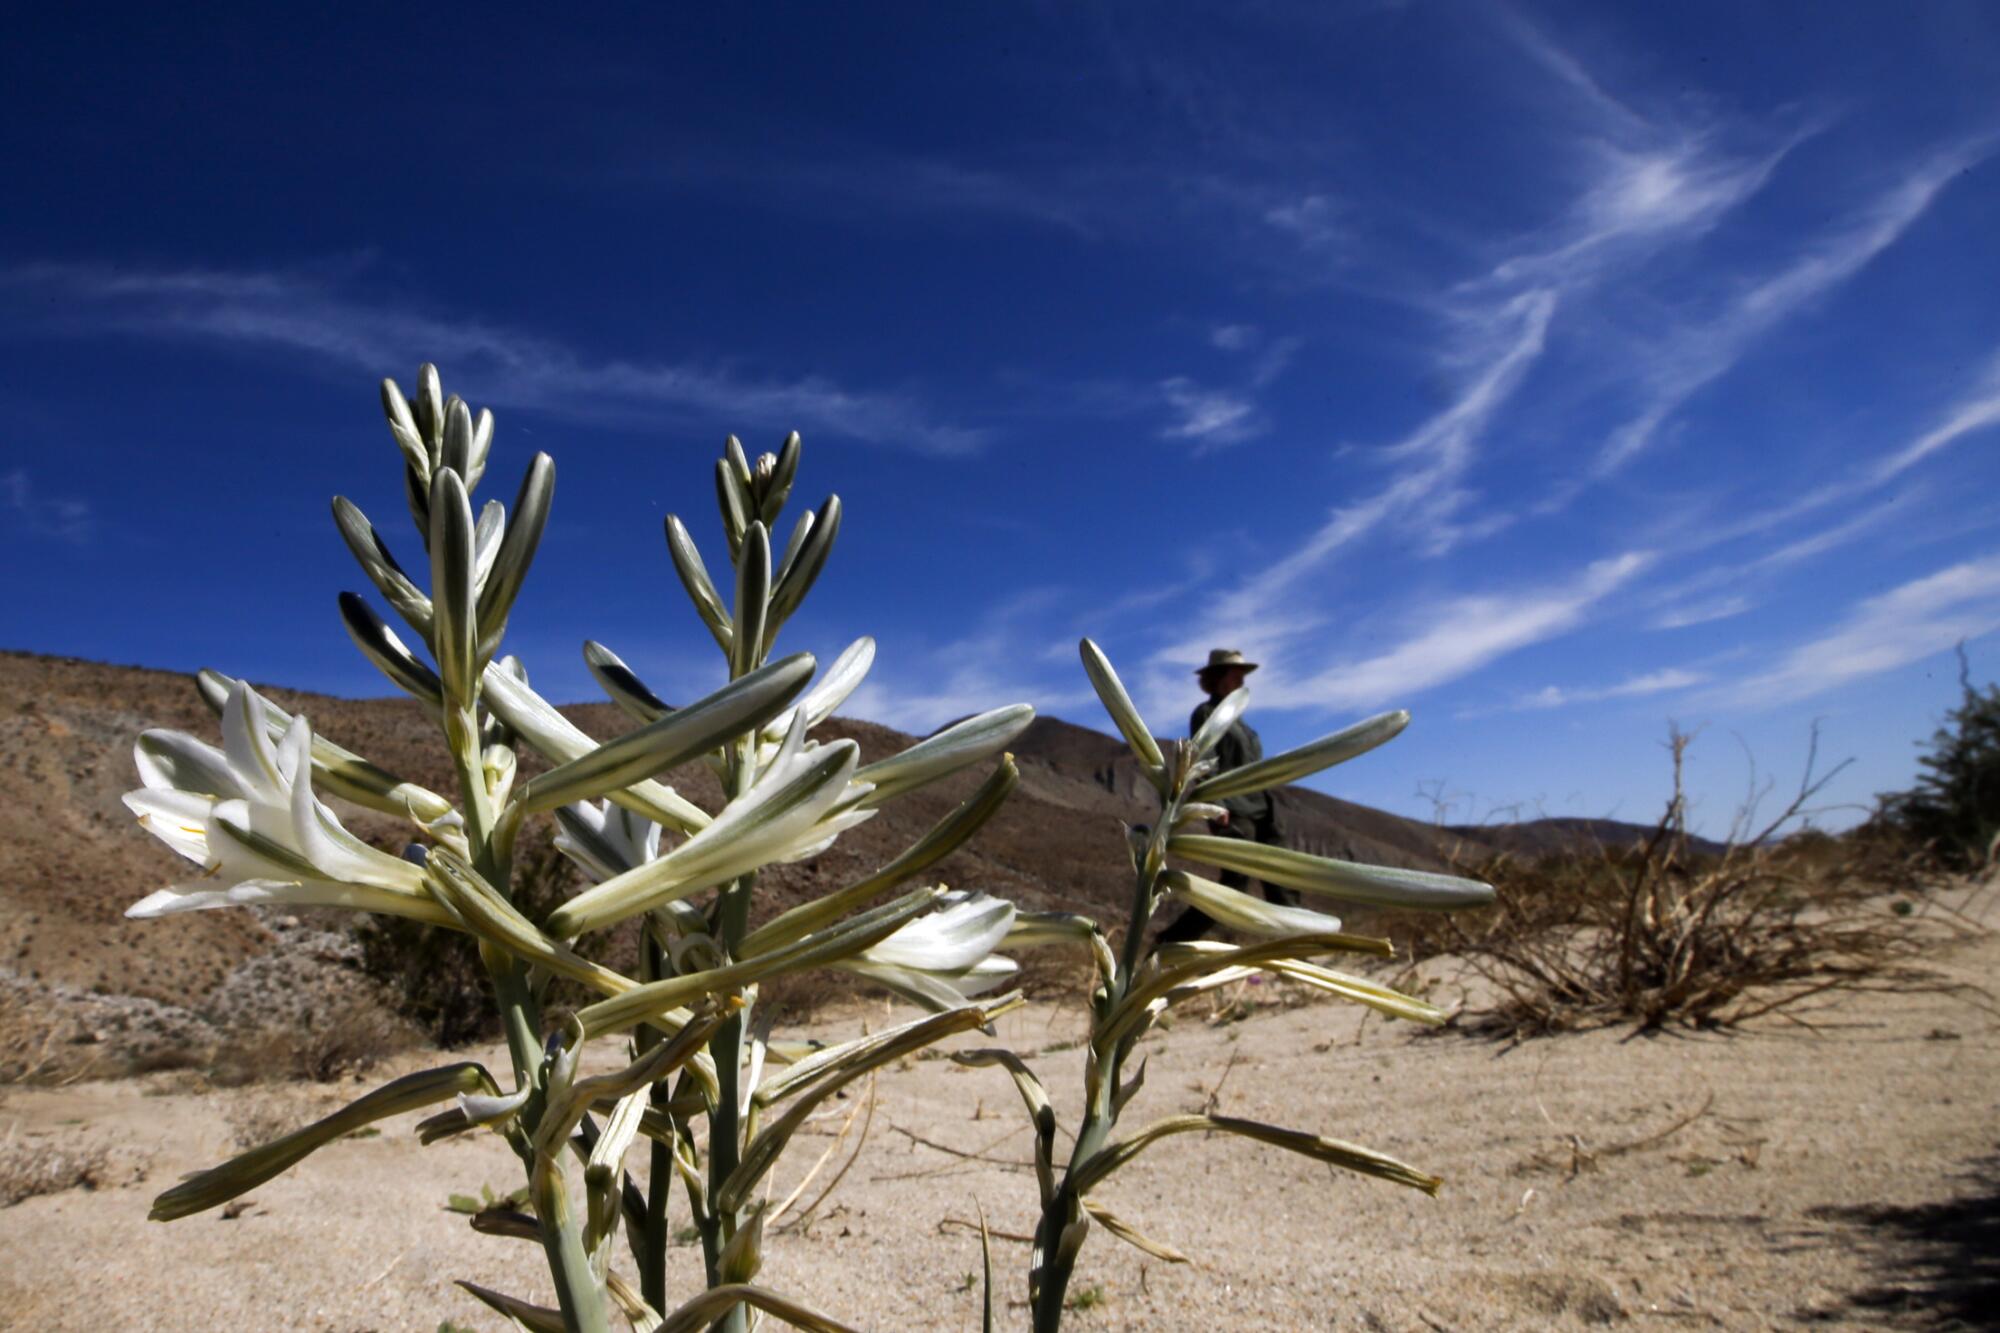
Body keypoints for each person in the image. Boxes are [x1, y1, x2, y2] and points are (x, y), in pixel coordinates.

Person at [1157, 648, 1298, 944]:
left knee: (1282, 877)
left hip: (1264, 811)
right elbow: (1202, 758)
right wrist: (1215, 807)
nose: (1241, 679)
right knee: (1233, 887)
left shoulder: (1243, 725)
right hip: (1234, 812)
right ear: (1218, 678)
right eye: (1235, 673)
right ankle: (1169, 943)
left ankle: (1298, 941)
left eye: (1242, 675)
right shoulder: (1207, 715)